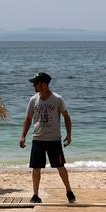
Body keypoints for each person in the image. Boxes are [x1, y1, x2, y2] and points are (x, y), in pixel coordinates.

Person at [19, 72, 75, 204]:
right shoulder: (33, 100)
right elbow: (28, 119)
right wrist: (23, 136)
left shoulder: (57, 99)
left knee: (60, 167)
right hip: (38, 139)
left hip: (54, 139)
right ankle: (35, 195)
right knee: (36, 168)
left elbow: (66, 117)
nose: (34, 86)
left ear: (44, 84)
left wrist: (69, 134)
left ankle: (69, 191)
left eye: (36, 83)